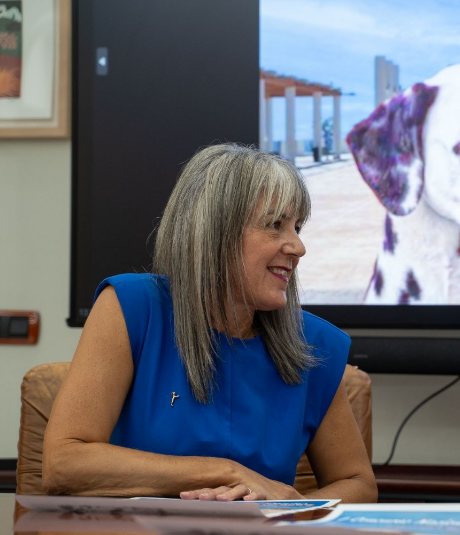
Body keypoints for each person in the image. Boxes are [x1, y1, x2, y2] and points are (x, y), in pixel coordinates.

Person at [43, 143, 377, 502]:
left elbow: (358, 484)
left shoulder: (314, 342)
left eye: (297, 227)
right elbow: (64, 464)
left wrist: (294, 507)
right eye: (275, 225)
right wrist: (228, 472)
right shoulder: (132, 307)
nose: (297, 246)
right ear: (214, 232)